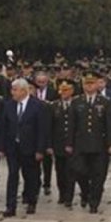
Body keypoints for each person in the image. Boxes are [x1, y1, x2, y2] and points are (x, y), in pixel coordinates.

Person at [66, 71, 111, 214]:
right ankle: (85, 192)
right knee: (80, 172)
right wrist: (69, 143)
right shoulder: (77, 101)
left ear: (97, 84)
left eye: (92, 83)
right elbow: (72, 124)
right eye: (86, 84)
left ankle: (94, 202)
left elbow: (110, 124)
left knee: (98, 175)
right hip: (81, 144)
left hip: (99, 145)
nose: (89, 86)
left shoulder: (105, 102)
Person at [0, 78, 46, 217]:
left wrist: (40, 149)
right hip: (13, 147)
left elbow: (42, 130)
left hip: (30, 148)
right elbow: (4, 128)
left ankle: (31, 201)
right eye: (12, 90)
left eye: (15, 90)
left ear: (24, 91)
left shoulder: (37, 106)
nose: (12, 93)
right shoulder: (8, 105)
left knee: (30, 176)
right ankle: (10, 206)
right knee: (12, 175)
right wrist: (1, 147)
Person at [46, 79, 77, 207]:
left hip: (73, 144)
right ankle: (62, 194)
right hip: (58, 144)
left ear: (72, 91)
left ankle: (69, 196)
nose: (63, 92)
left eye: (66, 90)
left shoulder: (76, 105)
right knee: (60, 171)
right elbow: (49, 127)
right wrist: (49, 145)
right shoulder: (53, 106)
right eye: (61, 90)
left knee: (71, 171)